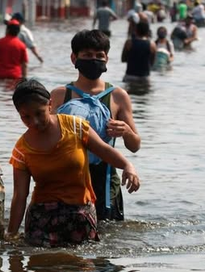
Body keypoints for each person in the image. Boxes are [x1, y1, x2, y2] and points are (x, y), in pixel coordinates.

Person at [7, 79, 140, 247]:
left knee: (81, 270)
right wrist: (11, 234)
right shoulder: (22, 149)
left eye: (39, 113)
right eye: (26, 117)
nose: (34, 122)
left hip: (81, 215)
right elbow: (20, 196)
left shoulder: (75, 127)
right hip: (41, 220)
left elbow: (105, 151)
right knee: (41, 270)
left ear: (50, 105)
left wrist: (128, 166)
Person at [49, 30, 141, 221]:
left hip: (106, 182)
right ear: (74, 58)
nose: (94, 59)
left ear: (107, 59)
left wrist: (125, 131)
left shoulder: (118, 96)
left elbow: (135, 145)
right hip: (67, 177)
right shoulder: (60, 95)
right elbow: (42, 135)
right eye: (87, 55)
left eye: (99, 55)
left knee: (108, 239)